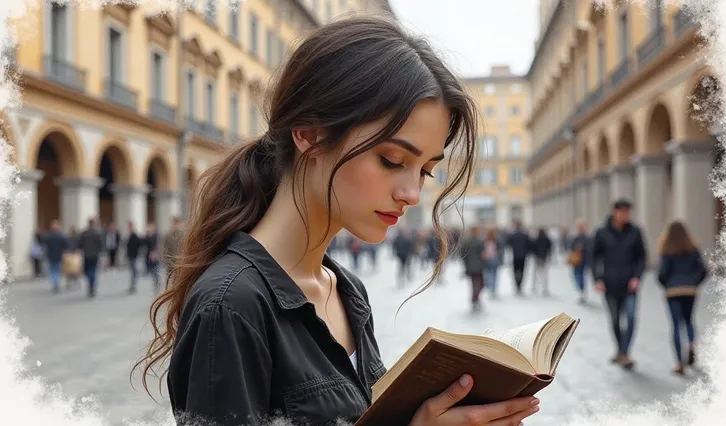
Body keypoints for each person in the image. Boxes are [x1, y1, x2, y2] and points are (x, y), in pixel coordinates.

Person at [133, 16, 540, 426]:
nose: (412, 193)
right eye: (392, 160)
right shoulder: (231, 306)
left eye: (425, 171)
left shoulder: (346, 289)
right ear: (309, 133)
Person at [591, 199, 647, 369]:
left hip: (630, 285)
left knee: (630, 318)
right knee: (615, 320)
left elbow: (641, 257)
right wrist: (597, 279)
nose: (625, 215)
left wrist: (637, 277)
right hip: (610, 283)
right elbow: (594, 257)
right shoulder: (602, 232)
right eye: (622, 212)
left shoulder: (635, 232)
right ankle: (621, 350)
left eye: (628, 212)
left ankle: (624, 352)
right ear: (614, 212)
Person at [656, 221, 708, 375]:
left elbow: (661, 274)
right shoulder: (693, 249)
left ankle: (679, 363)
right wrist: (694, 283)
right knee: (689, 321)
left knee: (676, 325)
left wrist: (667, 285)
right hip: (690, 290)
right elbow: (703, 271)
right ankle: (691, 343)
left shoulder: (667, 250)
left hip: (673, 291)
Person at [506, 220, 532, 296]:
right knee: (522, 271)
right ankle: (519, 285)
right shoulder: (525, 235)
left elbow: (508, 244)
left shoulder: (512, 236)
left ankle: (517, 285)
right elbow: (529, 245)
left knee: (515, 271)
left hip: (515, 256)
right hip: (523, 256)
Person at [568, 219, 589, 305]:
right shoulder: (576, 238)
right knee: (577, 276)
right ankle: (580, 291)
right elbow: (571, 247)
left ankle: (581, 291)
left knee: (581, 276)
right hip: (576, 261)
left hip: (583, 261)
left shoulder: (587, 238)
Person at [532, 227, 552, 296]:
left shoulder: (536, 239)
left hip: (538, 258)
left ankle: (535, 287)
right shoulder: (546, 239)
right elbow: (550, 248)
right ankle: (544, 288)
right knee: (544, 274)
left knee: (536, 274)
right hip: (544, 258)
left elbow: (533, 248)